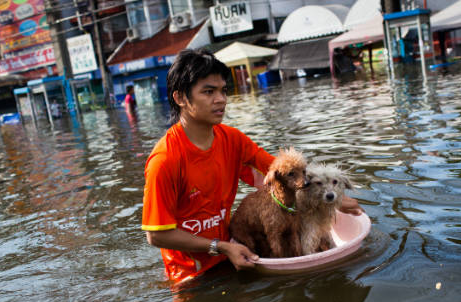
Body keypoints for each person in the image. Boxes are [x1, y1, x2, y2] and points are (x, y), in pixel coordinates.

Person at [142, 49, 362, 284]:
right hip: (190, 275)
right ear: (180, 98)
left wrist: (334, 199)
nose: (221, 99)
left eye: (223, 91)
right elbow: (156, 235)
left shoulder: (232, 140)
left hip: (233, 252)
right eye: (208, 92)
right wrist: (220, 247)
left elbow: (283, 175)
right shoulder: (165, 161)